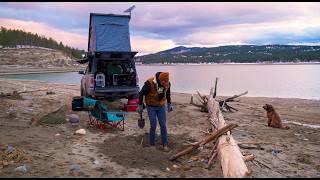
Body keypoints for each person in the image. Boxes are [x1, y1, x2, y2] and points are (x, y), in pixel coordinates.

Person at [137, 72, 174, 152]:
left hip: (161, 106)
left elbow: (167, 93)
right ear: (159, 80)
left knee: (163, 125)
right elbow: (141, 93)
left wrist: (169, 103)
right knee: (153, 125)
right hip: (151, 107)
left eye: (166, 82)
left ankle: (165, 144)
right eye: (163, 82)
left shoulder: (167, 84)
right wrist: (140, 104)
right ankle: (152, 144)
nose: (165, 84)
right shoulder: (149, 83)